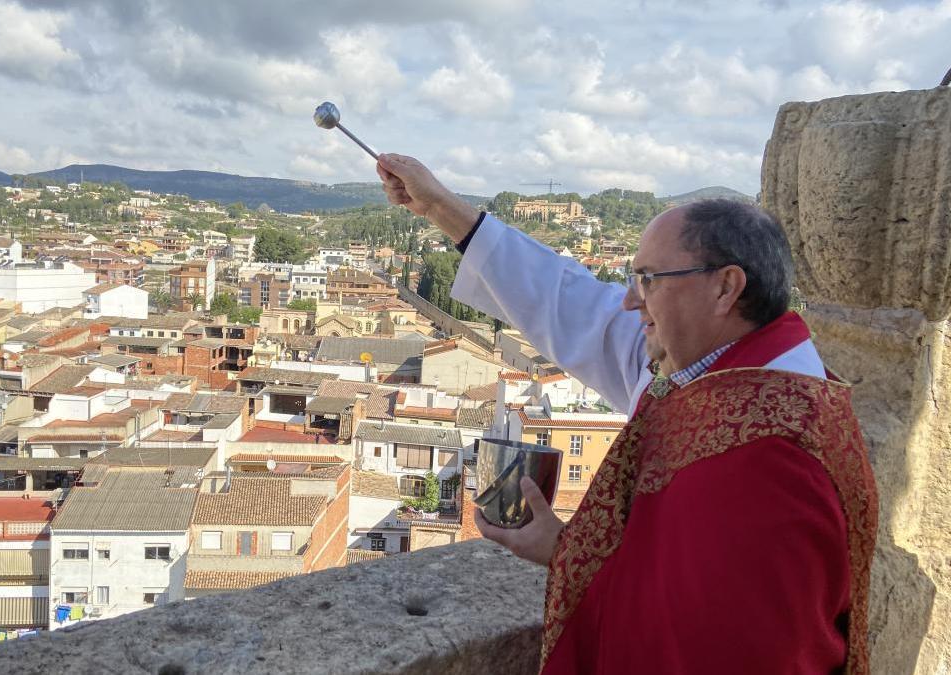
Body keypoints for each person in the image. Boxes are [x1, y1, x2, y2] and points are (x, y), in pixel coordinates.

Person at [376, 154, 878, 675]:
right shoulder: (706, 367)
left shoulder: (773, 450)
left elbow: (720, 643)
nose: (630, 302)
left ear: (726, 288)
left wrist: (566, 553)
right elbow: (567, 302)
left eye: (648, 279)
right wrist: (439, 206)